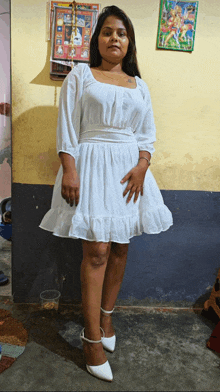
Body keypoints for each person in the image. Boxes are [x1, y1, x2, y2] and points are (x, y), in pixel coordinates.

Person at [40, 5, 173, 382]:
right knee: (96, 250)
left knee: (121, 245)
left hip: (130, 171)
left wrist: (144, 164)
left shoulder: (138, 84)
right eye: (108, 32)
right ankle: (91, 338)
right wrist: (70, 168)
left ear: (129, 42)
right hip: (90, 164)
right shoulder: (81, 75)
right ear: (96, 39)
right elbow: (67, 124)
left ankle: (107, 317)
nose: (115, 38)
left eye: (122, 33)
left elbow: (146, 132)